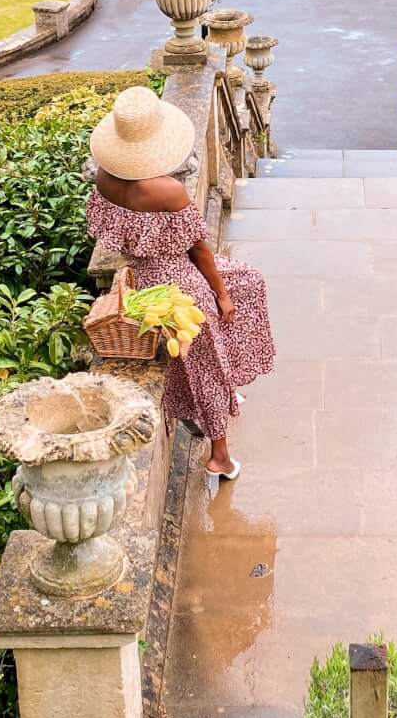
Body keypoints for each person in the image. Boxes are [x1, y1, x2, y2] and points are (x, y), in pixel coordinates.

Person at [88, 86, 273, 484]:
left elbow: (112, 235)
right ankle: (220, 455)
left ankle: (226, 385)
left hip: (144, 278)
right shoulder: (166, 190)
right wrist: (219, 294)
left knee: (249, 281)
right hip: (180, 284)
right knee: (208, 348)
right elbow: (199, 252)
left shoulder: (105, 178)